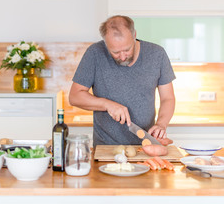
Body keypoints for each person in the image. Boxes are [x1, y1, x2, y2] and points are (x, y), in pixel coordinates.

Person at [69, 15, 176, 147]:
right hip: (106, 147)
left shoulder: (157, 54)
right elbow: (74, 96)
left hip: (146, 147)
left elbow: (168, 98)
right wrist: (107, 104)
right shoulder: (95, 53)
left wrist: (161, 124)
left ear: (134, 35)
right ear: (105, 43)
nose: (123, 56)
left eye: (127, 49)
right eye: (115, 52)